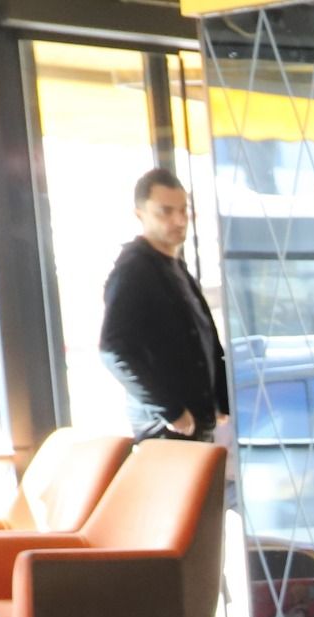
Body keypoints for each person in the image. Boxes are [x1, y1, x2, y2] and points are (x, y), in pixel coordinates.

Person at [100, 167, 228, 441]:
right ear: (140, 214)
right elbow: (113, 350)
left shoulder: (175, 267)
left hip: (190, 425)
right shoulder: (134, 270)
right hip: (166, 429)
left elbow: (203, 338)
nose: (179, 220)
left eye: (183, 210)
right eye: (165, 211)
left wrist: (219, 398)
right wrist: (171, 411)